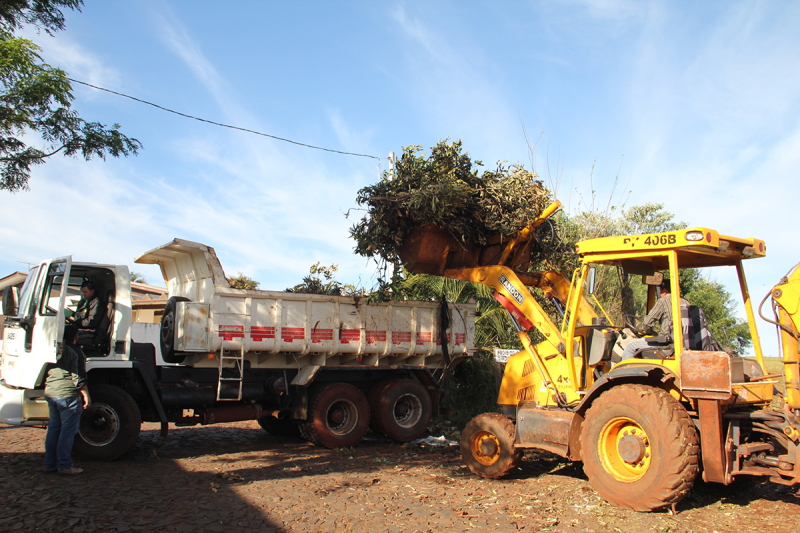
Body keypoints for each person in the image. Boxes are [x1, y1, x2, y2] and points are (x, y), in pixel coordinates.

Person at [44, 325, 91, 475]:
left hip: (51, 392)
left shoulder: (53, 350)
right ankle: (64, 466)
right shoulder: (76, 352)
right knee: (67, 432)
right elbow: (78, 378)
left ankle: (50, 464)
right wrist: (86, 395)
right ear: (75, 337)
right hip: (67, 395)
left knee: (53, 429)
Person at [621, 279, 689, 361]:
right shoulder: (686, 302)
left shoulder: (663, 301)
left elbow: (647, 323)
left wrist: (650, 332)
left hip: (666, 343)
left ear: (664, 291)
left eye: (660, 291)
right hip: (683, 343)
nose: (660, 294)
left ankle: (626, 369)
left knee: (630, 345)